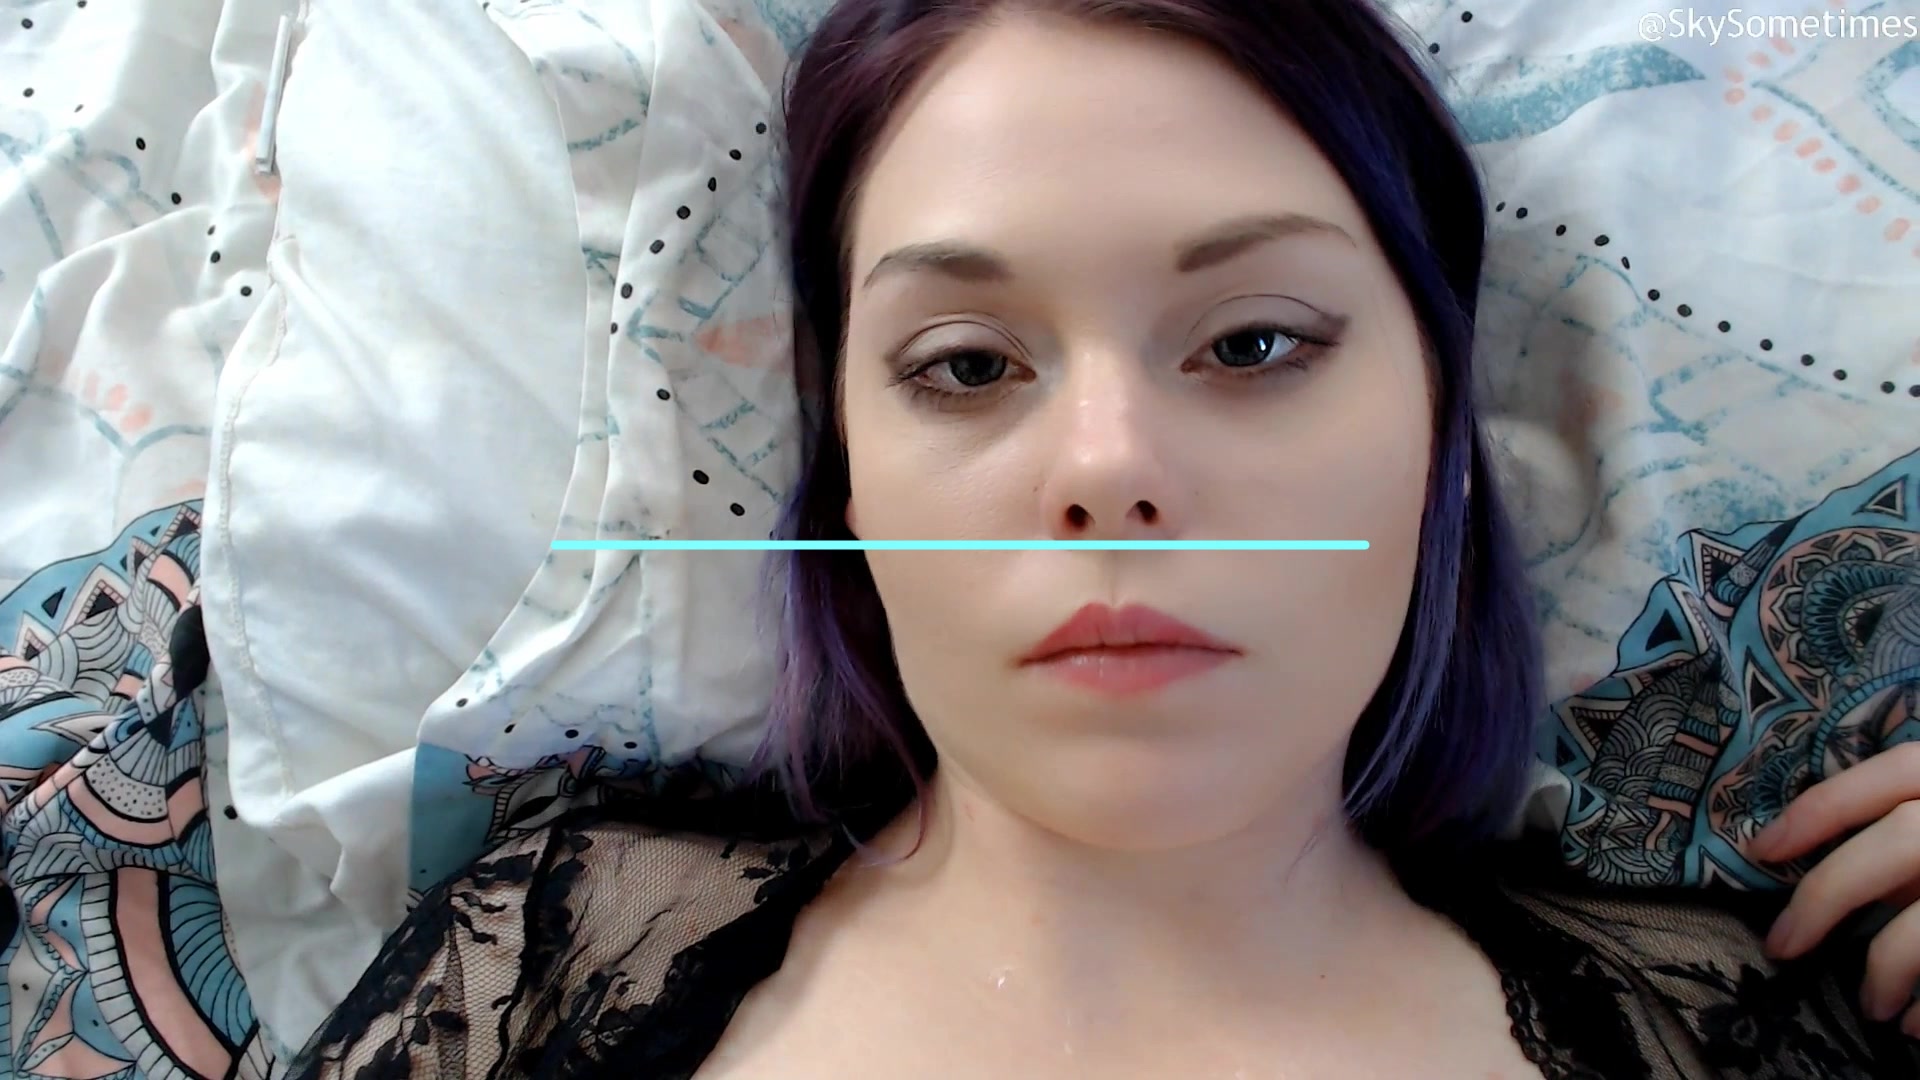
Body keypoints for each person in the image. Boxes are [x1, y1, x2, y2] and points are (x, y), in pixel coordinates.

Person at [279, 1, 1920, 1076]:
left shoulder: (1744, 1024)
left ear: (1445, 447)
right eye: (966, 367)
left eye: (1255, 342)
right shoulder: (538, 959)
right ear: (848, 484)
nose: (1109, 470)